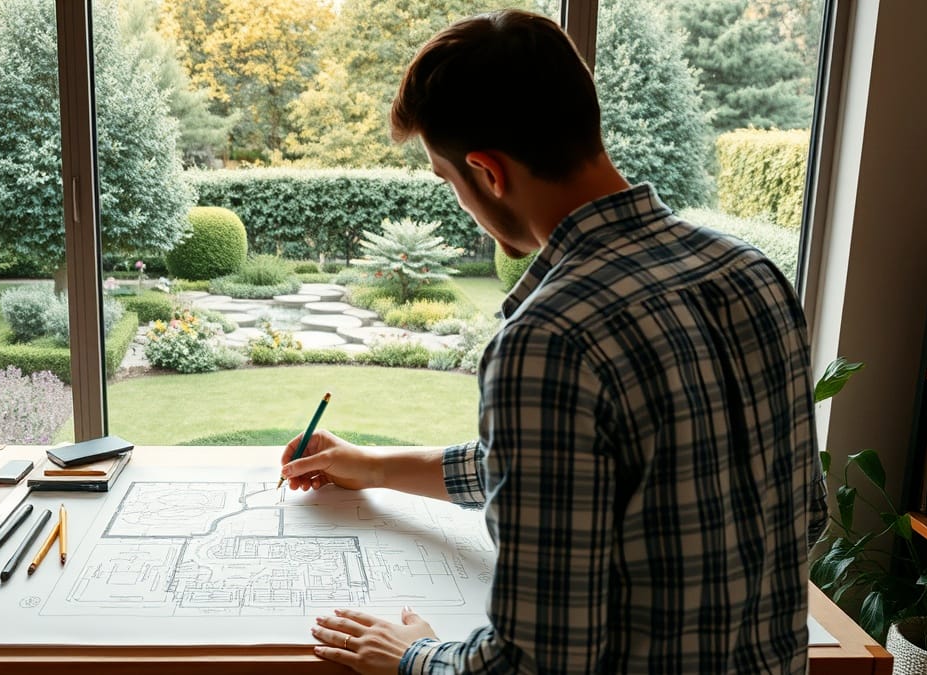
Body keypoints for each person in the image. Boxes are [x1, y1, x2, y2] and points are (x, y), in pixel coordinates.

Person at [278, 8, 828, 675]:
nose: (462, 200)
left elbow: (534, 665)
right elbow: (804, 515)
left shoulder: (552, 341)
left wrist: (413, 654)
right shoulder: (751, 274)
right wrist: (376, 467)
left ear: (488, 172)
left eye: (449, 181)